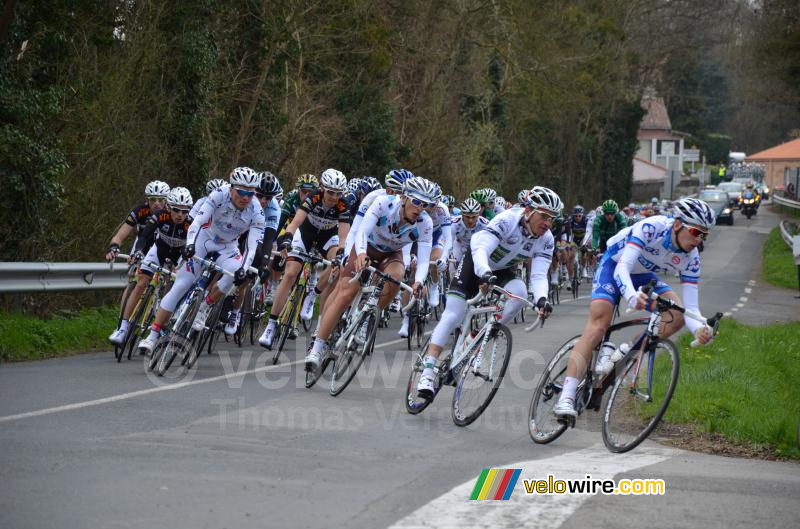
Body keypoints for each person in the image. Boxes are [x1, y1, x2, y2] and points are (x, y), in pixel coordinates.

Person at [553, 198, 717, 418]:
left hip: (642, 275)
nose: (699, 240)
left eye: (704, 235)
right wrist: (631, 296)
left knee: (676, 315)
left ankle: (624, 352)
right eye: (696, 232)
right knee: (598, 326)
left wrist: (700, 329)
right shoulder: (652, 227)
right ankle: (566, 396)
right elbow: (623, 267)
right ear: (678, 224)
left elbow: (691, 309)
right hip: (615, 265)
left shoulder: (691, 258)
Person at [416, 186, 562, 398]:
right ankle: (427, 372)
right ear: (529, 211)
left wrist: (542, 299)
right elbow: (481, 249)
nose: (547, 223)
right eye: (544, 216)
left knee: (519, 293)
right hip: (475, 262)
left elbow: (538, 275)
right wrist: (483, 273)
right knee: (453, 314)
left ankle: (477, 339)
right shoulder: (507, 220)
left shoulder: (546, 239)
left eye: (552, 218)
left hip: (501, 270)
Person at [303, 176, 437, 371]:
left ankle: (367, 317)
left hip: (390, 254)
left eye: (425, 205)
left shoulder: (425, 223)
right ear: (404, 198)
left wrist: (418, 282)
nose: (420, 208)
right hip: (366, 246)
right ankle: (317, 347)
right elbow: (362, 231)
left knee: (397, 277)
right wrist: (362, 253)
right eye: (416, 202)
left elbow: (424, 259)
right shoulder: (383, 203)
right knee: (345, 294)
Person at [138, 167, 266, 353]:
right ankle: (152, 335)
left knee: (235, 273)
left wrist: (244, 268)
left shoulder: (257, 212)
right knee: (181, 285)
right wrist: (189, 244)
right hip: (203, 240)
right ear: (231, 189)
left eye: (251, 193)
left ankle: (206, 305)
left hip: (228, 247)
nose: (246, 197)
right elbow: (196, 222)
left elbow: (252, 246)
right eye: (241, 191)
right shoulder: (218, 195)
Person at [258, 168, 350, 348]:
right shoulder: (313, 197)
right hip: (305, 234)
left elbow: (343, 236)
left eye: (338, 193)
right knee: (291, 273)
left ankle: (313, 294)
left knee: (336, 267)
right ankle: (271, 325)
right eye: (330, 192)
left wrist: (340, 252)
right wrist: (287, 240)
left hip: (328, 238)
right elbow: (295, 223)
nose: (333, 197)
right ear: (323, 188)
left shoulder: (342, 205)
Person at [108, 187, 193, 345]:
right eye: (176, 210)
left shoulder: (191, 224)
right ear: (168, 207)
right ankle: (123, 328)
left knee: (174, 289)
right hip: (158, 250)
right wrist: (139, 251)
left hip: (178, 256)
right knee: (141, 282)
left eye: (184, 211)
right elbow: (145, 236)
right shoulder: (159, 216)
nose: (180, 215)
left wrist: (182, 263)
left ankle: (162, 325)